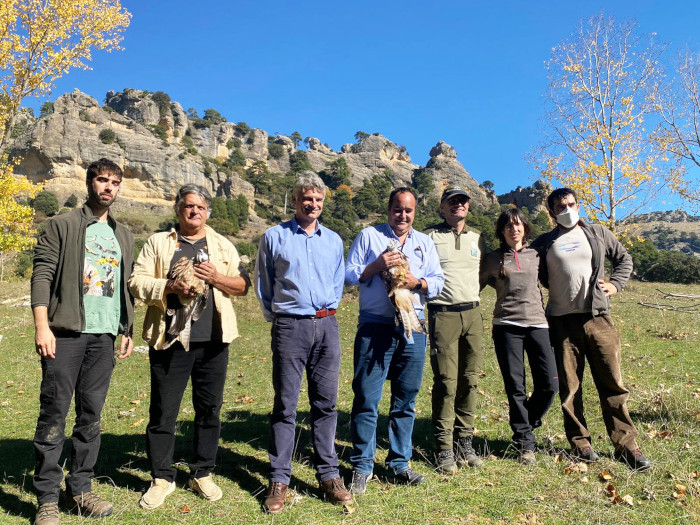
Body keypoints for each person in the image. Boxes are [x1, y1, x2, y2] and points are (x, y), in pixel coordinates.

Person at [129, 184, 249, 509]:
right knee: (163, 413)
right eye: (188, 206)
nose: (193, 211)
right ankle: (161, 478)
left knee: (209, 410)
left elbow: (242, 285)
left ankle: (202, 472)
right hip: (169, 341)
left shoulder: (222, 245)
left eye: (199, 207)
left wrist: (216, 278)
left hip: (213, 343)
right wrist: (168, 285)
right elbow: (135, 281)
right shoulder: (159, 242)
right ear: (178, 210)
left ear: (207, 211)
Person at [31, 158, 134, 525]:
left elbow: (124, 287)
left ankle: (81, 489)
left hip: (104, 336)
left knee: (91, 415)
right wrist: (42, 326)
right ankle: (47, 498)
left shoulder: (123, 234)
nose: (109, 187)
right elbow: (42, 275)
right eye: (102, 180)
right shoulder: (62, 225)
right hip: (66, 333)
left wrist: (127, 328)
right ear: (89, 183)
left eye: (115, 182)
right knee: (54, 414)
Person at [531, 187, 651, 471]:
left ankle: (626, 444)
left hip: (598, 318)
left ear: (578, 205)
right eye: (560, 207)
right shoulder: (545, 242)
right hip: (560, 321)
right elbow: (525, 269)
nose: (567, 210)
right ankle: (580, 442)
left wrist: (615, 284)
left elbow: (624, 259)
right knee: (570, 387)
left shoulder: (597, 233)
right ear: (551, 213)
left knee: (612, 382)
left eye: (571, 204)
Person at [255, 172, 352, 514]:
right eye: (306, 199)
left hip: (327, 325)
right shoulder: (274, 237)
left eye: (319, 200)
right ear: (295, 200)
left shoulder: (334, 240)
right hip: (290, 326)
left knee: (326, 404)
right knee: (285, 406)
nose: (313, 205)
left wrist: (327, 310)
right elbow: (264, 284)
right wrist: (280, 319)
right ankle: (280, 478)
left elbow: (339, 280)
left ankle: (328, 474)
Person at [345, 187, 444, 494]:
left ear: (415, 213)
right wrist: (376, 266)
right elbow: (348, 274)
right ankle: (362, 465)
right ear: (388, 210)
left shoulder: (424, 242)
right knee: (366, 397)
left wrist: (417, 282)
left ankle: (399, 463)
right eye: (398, 209)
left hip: (413, 325)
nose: (403, 215)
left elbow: (438, 282)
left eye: (409, 211)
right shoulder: (369, 236)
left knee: (406, 399)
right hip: (376, 325)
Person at [480, 208, 558, 465]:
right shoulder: (493, 259)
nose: (514, 229)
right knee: (516, 386)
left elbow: (552, 281)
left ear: (525, 228)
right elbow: (476, 284)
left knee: (549, 385)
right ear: (502, 231)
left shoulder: (537, 255)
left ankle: (527, 421)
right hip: (506, 326)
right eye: (508, 226)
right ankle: (525, 442)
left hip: (538, 324)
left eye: (518, 225)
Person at [424, 186, 485, 474]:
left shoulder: (478, 238)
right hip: (443, 314)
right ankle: (444, 447)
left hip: (473, 314)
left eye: (462, 202)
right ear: (443, 207)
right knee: (447, 382)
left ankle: (465, 440)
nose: (458, 206)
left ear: (468, 207)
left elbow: (485, 273)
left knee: (469, 379)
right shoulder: (429, 237)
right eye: (452, 202)